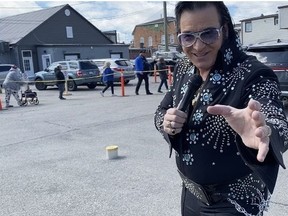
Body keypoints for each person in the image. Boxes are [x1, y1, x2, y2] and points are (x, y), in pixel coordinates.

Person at [154, 2, 288, 216]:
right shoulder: (183, 68)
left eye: (208, 34)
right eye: (188, 37)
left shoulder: (253, 74)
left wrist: (266, 133)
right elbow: (162, 109)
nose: (198, 47)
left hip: (235, 204)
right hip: (190, 196)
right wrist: (166, 122)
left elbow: (277, 121)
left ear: (224, 31)